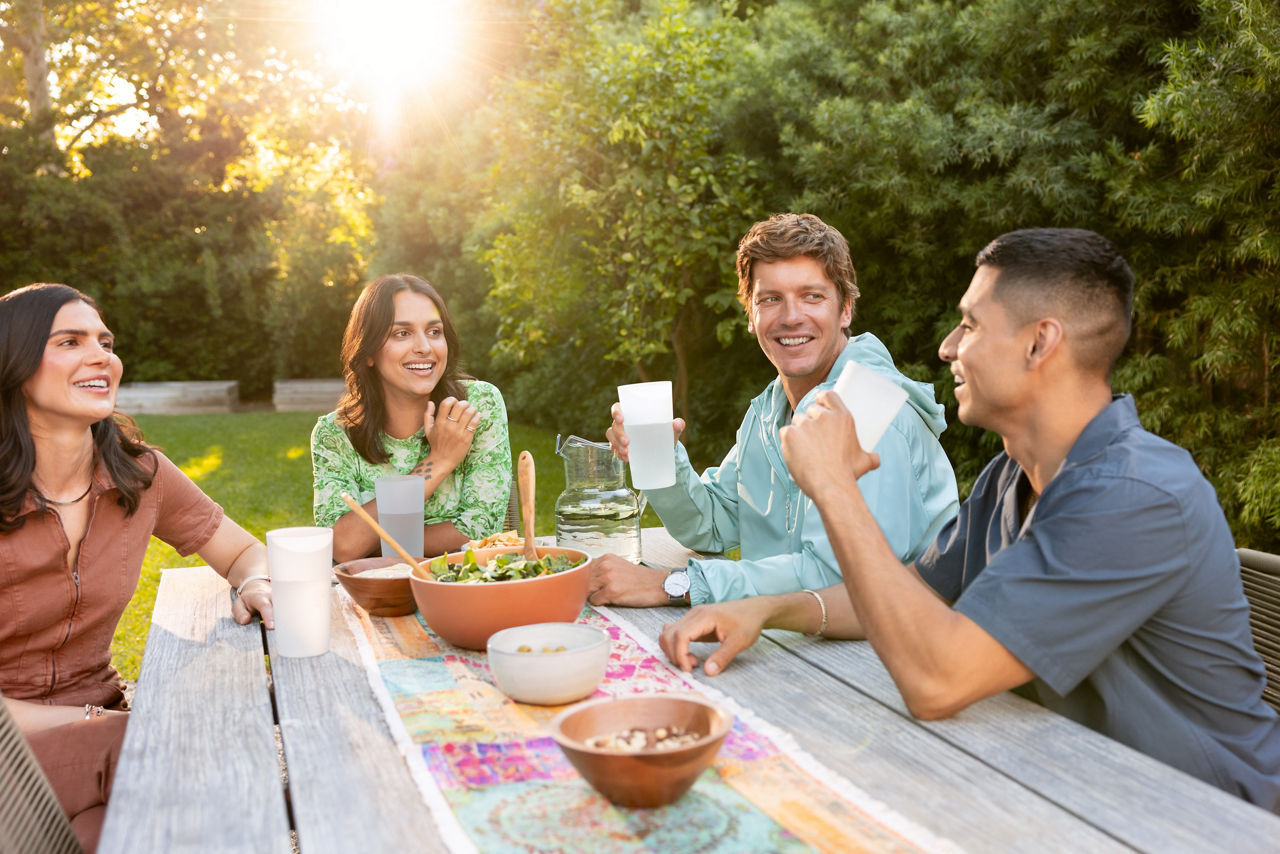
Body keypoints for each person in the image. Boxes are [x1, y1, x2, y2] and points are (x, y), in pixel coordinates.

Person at [659, 228, 1280, 809]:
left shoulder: (1137, 495)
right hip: (1054, 778)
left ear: (1040, 343)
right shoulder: (1010, 476)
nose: (947, 347)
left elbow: (938, 682)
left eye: (969, 325)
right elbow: (906, 594)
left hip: (1201, 815)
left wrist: (832, 485)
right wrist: (765, 610)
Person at [0, 283, 276, 851]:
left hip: (97, 731)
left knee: (113, 831)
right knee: (163, 750)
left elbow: (244, 550)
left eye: (105, 341)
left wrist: (254, 582)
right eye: (70, 342)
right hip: (19, 752)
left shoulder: (137, 472)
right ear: (15, 366)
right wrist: (92, 723)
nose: (101, 356)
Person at [591, 213, 958, 607]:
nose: (790, 316)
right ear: (751, 315)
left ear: (846, 310)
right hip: (787, 637)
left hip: (877, 656)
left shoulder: (868, 410)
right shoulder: (770, 409)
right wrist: (658, 455)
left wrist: (673, 584)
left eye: (812, 296)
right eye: (770, 299)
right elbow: (713, 525)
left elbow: (836, 578)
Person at [312, 274, 512, 563]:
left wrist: (372, 542)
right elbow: (341, 546)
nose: (424, 347)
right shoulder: (334, 434)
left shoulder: (477, 405)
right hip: (376, 597)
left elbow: (479, 534)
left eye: (434, 331)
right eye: (401, 333)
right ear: (368, 351)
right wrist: (438, 463)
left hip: (462, 590)